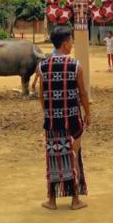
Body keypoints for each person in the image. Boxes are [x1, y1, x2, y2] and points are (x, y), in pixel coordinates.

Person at [38, 27, 90, 210]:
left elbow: (42, 96)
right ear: (66, 43)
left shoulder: (42, 66)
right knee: (73, 156)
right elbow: (82, 93)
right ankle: (75, 199)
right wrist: (87, 113)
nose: (72, 44)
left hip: (52, 122)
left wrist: (50, 112)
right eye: (71, 41)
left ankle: (51, 200)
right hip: (72, 121)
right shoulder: (75, 65)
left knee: (53, 158)